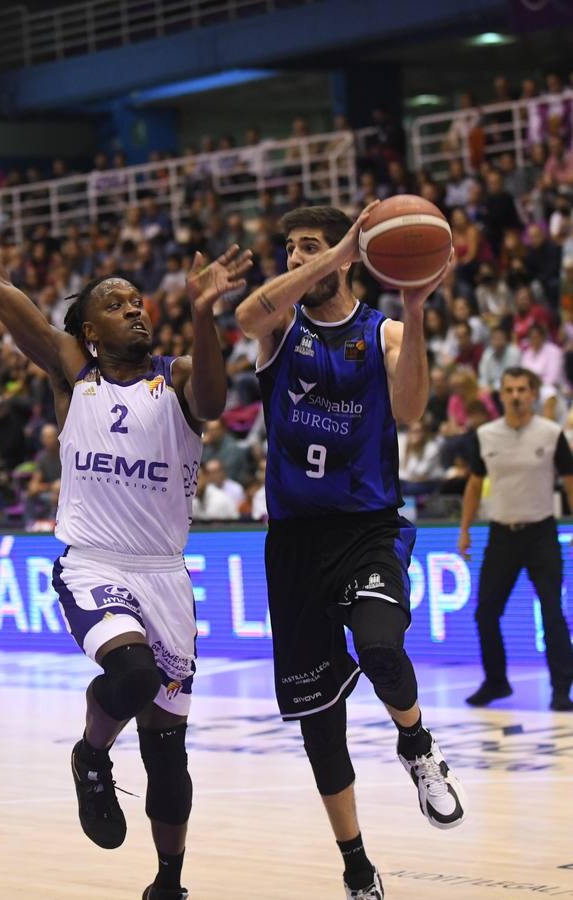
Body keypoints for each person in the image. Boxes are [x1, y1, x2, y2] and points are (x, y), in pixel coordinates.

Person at [0, 132, 252, 900]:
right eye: (114, 303)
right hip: (94, 562)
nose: (133, 308)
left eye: (138, 300)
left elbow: (214, 401)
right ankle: (90, 756)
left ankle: (167, 882)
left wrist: (205, 315)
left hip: (165, 575)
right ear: (87, 332)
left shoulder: (175, 382)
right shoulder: (72, 375)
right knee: (131, 671)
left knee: (169, 756)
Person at [235, 204, 465, 900]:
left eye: (312, 248)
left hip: (366, 527)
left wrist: (417, 308)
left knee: (381, 646)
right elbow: (244, 318)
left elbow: (411, 411)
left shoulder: (383, 330)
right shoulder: (278, 329)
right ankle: (356, 865)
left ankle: (417, 744)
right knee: (319, 724)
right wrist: (333, 253)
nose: (298, 261)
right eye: (291, 251)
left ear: (350, 255)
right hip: (294, 543)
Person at [458, 367, 573, 712]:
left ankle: (560, 690)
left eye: (523, 389)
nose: (516, 396)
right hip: (501, 534)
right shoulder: (486, 435)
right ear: (501, 395)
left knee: (552, 612)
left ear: (534, 393)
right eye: (509, 390)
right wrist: (464, 529)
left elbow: (569, 481)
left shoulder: (552, 433)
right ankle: (496, 682)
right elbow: (475, 484)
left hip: (541, 532)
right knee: (485, 613)